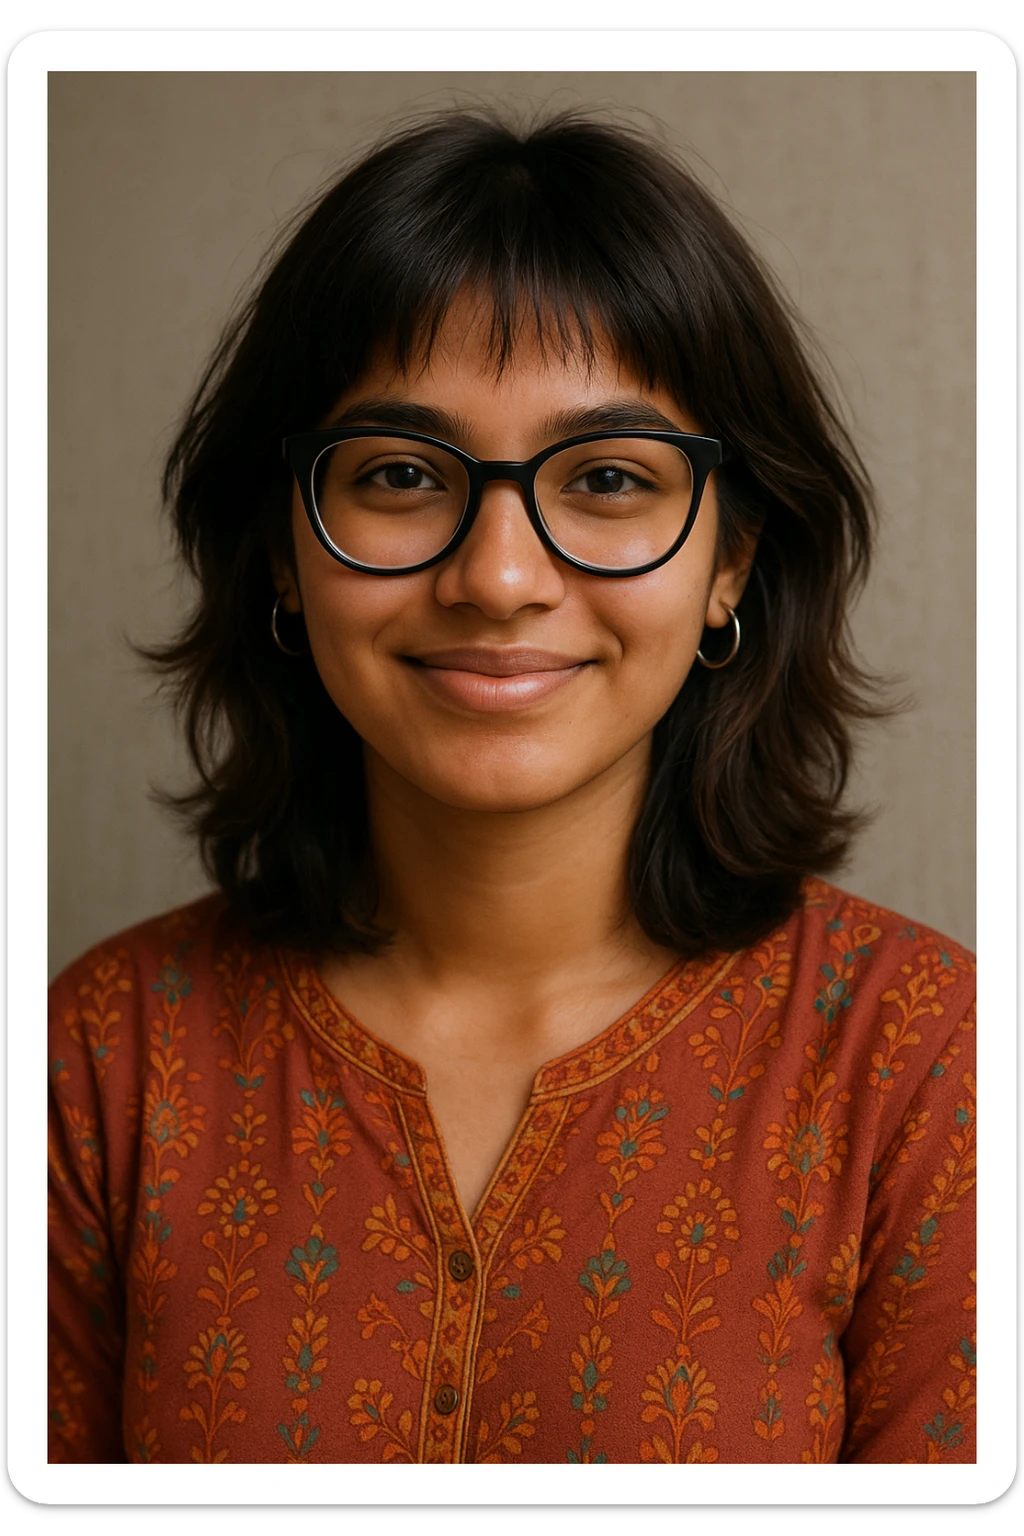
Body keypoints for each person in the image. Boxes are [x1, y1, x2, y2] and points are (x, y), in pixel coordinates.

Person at [47, 109, 975, 1466]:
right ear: (282, 552)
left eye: (606, 478)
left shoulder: (924, 1064)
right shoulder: (97, 1065)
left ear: (731, 562)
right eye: (401, 475)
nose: (496, 577)